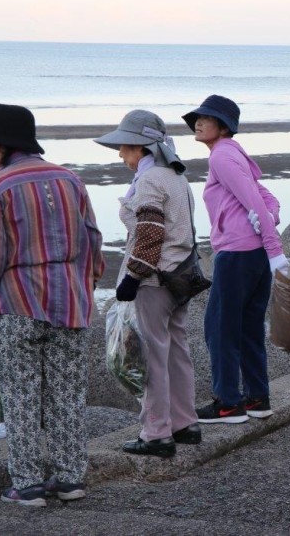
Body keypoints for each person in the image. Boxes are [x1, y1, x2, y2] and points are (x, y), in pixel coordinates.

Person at [0, 104, 104, 506]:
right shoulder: (70, 180)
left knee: (21, 395)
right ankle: (70, 479)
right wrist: (85, 285)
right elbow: (93, 242)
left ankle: (26, 484)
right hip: (70, 304)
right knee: (67, 394)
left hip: (16, 304)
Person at [94, 110, 202, 458]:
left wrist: (132, 276)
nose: (120, 155)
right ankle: (186, 423)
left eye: (123, 148)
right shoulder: (176, 177)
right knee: (177, 351)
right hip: (181, 276)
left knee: (152, 355)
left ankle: (156, 433)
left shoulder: (151, 180)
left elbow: (150, 233)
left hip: (154, 280)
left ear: (140, 148)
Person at [182, 95, 290, 423]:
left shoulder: (222, 158)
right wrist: (269, 217)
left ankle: (228, 403)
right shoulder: (234, 154)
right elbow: (265, 197)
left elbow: (254, 198)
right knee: (248, 327)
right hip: (253, 255)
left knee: (219, 327)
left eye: (207, 118)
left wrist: (274, 247)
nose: (199, 123)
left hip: (237, 254)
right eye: (197, 118)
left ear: (224, 126)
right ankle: (258, 398)